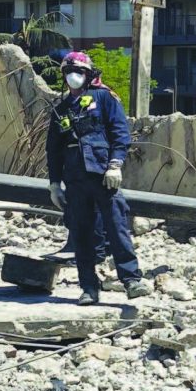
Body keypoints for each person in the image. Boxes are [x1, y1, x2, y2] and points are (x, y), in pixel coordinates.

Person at [45, 51, 151, 305]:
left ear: (88, 74)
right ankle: (89, 288)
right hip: (75, 181)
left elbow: (120, 134)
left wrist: (115, 165)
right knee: (81, 234)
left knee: (116, 228)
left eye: (79, 72)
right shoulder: (61, 109)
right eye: (69, 72)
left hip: (104, 176)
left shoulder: (104, 97)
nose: (74, 76)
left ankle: (131, 280)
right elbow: (53, 149)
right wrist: (54, 184)